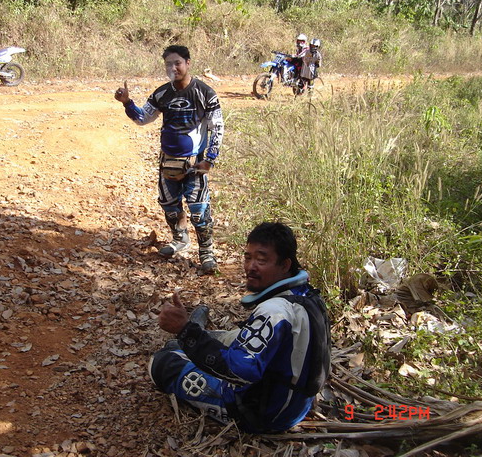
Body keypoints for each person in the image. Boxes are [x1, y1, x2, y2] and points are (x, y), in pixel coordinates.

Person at [148, 222, 331, 433]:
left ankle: (184, 341)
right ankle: (189, 337)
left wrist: (183, 330)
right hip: (296, 402)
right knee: (204, 341)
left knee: (161, 362)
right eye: (248, 257)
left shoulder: (274, 312)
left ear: (285, 265)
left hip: (264, 414)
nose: (251, 266)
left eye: (261, 260)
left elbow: (237, 371)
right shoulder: (307, 294)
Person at [114, 45, 224, 274]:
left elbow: (218, 127)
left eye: (177, 63)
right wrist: (127, 103)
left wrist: (210, 159)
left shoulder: (205, 93)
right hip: (168, 162)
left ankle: (207, 252)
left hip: (195, 163)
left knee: (199, 209)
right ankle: (180, 239)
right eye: (168, 64)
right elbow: (143, 118)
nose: (173, 68)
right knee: (169, 206)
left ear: (188, 63)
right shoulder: (161, 93)